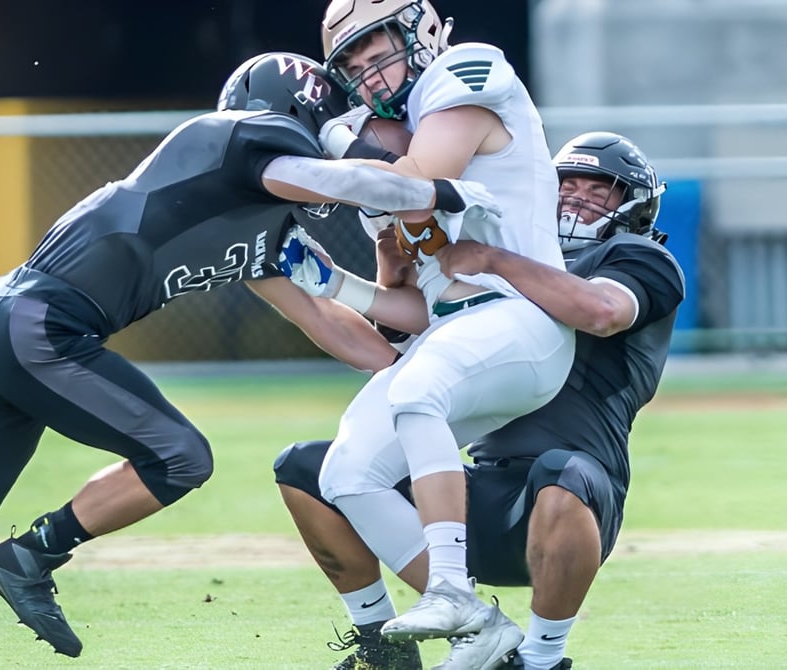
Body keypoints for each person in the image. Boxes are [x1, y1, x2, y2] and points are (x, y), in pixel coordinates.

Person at [0, 51, 504, 669]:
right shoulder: (244, 141)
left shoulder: (259, 223)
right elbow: (334, 181)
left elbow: (326, 322)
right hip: (43, 321)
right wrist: (441, 191)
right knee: (181, 457)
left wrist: (413, 371)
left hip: (15, 319)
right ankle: (33, 554)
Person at [274, 131, 685, 669]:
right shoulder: (514, 256)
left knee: (563, 473)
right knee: (308, 468)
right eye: (568, 185)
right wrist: (355, 274)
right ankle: (381, 645)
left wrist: (493, 258)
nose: (578, 198)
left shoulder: (635, 257)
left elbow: (601, 311)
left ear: (631, 206)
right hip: (477, 492)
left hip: (573, 496)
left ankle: (541, 659)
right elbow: (402, 343)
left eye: (599, 189)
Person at [287, 0, 576, 660]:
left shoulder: (467, 70)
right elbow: (423, 309)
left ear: (420, 30)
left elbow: (418, 183)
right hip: (463, 334)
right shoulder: (381, 157)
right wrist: (333, 283)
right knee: (348, 473)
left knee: (419, 387)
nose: (370, 74)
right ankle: (481, 627)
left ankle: (446, 585)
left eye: (377, 50)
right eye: (354, 67)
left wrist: (331, 139)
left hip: (528, 319)